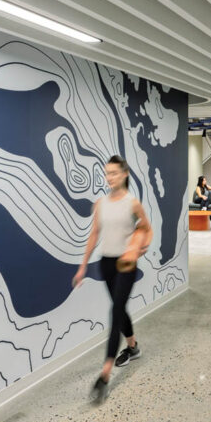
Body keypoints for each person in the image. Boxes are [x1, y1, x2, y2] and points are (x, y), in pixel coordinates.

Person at [73, 155, 152, 403]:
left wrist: (141, 247)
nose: (110, 177)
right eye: (107, 173)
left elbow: (147, 229)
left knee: (115, 310)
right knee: (120, 309)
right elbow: (94, 234)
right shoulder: (100, 203)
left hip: (125, 263)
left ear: (125, 174)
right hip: (106, 263)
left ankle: (105, 373)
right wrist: (82, 266)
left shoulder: (133, 203)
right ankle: (133, 346)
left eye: (114, 173)